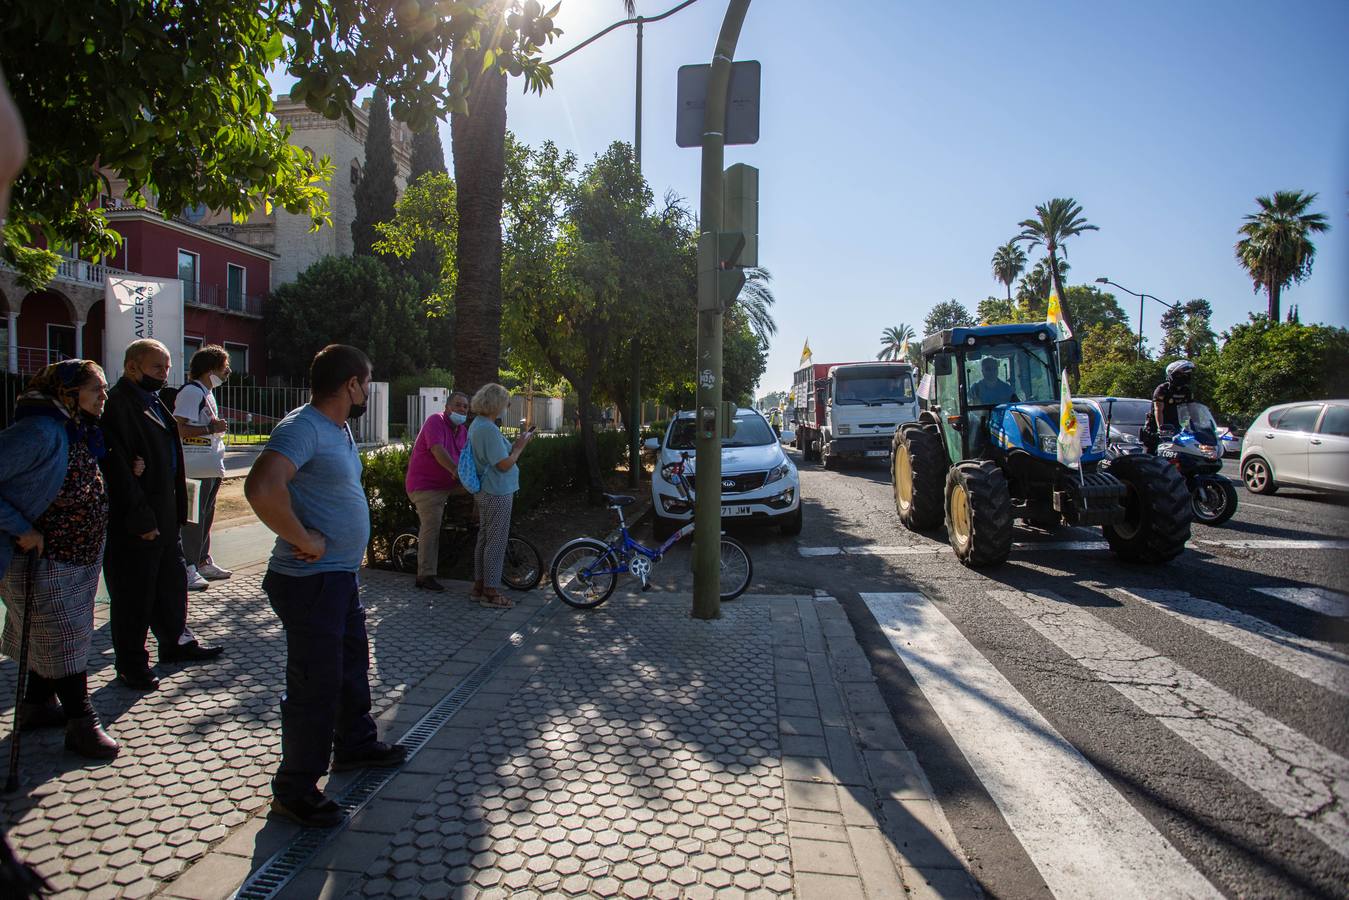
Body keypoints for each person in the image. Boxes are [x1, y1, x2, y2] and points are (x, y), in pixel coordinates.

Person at [245, 344, 406, 828]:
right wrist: (302, 537)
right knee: (315, 686)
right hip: (309, 582)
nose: (370, 388)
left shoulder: (338, 427)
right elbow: (261, 488)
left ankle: (354, 744)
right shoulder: (302, 427)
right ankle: (295, 790)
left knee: (351, 664)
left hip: (338, 577)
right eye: (368, 379)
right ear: (351, 384)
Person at [0, 361, 128, 758]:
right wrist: (21, 527)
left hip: (74, 556)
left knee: (52, 634)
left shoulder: (72, 426)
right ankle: (81, 722)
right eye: (96, 389)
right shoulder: (37, 430)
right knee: (64, 637)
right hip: (43, 556)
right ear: (68, 392)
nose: (103, 397)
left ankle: (36, 704)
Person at [101, 340, 223, 691]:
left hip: (165, 515)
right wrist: (141, 519)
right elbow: (119, 472)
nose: (164, 374)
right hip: (140, 522)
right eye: (157, 368)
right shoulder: (120, 406)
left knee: (170, 584)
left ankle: (175, 642)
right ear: (132, 367)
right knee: (135, 595)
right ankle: (131, 664)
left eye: (167, 368)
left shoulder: (151, 400)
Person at [465, 384, 534, 610]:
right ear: (496, 404)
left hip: (487, 490)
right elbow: (504, 464)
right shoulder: (487, 429)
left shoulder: (479, 425)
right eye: (505, 402)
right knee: (496, 542)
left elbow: (498, 456)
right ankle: (491, 592)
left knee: (485, 540)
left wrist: (516, 445)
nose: (507, 406)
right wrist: (520, 447)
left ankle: (479, 587)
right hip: (497, 491)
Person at [174, 345, 233, 590]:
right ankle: (187, 567)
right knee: (191, 520)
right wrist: (211, 429)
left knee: (205, 518)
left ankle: (201, 561)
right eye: (224, 367)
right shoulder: (191, 393)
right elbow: (178, 428)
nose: (228, 371)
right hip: (193, 470)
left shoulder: (206, 392)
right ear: (210, 370)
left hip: (208, 468)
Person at [404, 391, 471, 592]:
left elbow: (468, 456)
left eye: (465, 407)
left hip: (447, 485)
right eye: (458, 405)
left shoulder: (462, 431)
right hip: (426, 486)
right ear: (447, 407)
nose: (462, 409)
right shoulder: (435, 421)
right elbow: (437, 450)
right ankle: (424, 575)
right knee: (432, 525)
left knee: (481, 491)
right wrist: (455, 471)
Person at [1152, 359, 1196, 433]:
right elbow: (1158, 410)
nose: (1184, 377)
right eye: (1180, 375)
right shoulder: (1163, 389)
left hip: (1178, 427)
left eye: (1186, 375)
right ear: (1172, 375)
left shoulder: (1186, 391)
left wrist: (1192, 426)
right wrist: (1161, 428)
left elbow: (1191, 411)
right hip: (1161, 428)